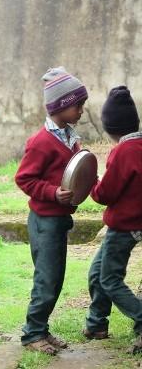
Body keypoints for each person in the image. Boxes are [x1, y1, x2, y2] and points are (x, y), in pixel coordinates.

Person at [15, 67, 89, 355]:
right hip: (44, 220)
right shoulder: (42, 142)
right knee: (46, 279)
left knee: (55, 278)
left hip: (59, 220)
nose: (82, 110)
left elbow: (78, 171)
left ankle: (42, 329)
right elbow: (24, 178)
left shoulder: (70, 137)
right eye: (78, 105)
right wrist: (52, 193)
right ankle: (32, 334)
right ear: (60, 106)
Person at [83, 86, 142, 354]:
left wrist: (91, 183)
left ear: (109, 127)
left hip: (124, 226)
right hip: (133, 225)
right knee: (97, 272)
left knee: (109, 279)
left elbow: (106, 194)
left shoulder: (124, 151)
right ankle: (96, 324)